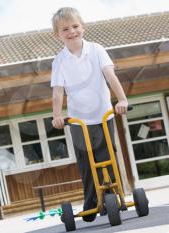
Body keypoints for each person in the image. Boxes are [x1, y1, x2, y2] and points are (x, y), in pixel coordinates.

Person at [50, 7, 128, 222]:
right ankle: (92, 200)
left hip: (103, 115)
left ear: (82, 27)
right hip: (78, 121)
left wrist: (121, 100)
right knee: (86, 162)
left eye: (75, 26)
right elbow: (58, 92)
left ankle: (115, 195)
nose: (71, 31)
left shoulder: (96, 49)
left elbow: (110, 76)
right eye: (65, 29)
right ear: (58, 35)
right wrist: (57, 115)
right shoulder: (59, 61)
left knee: (108, 156)